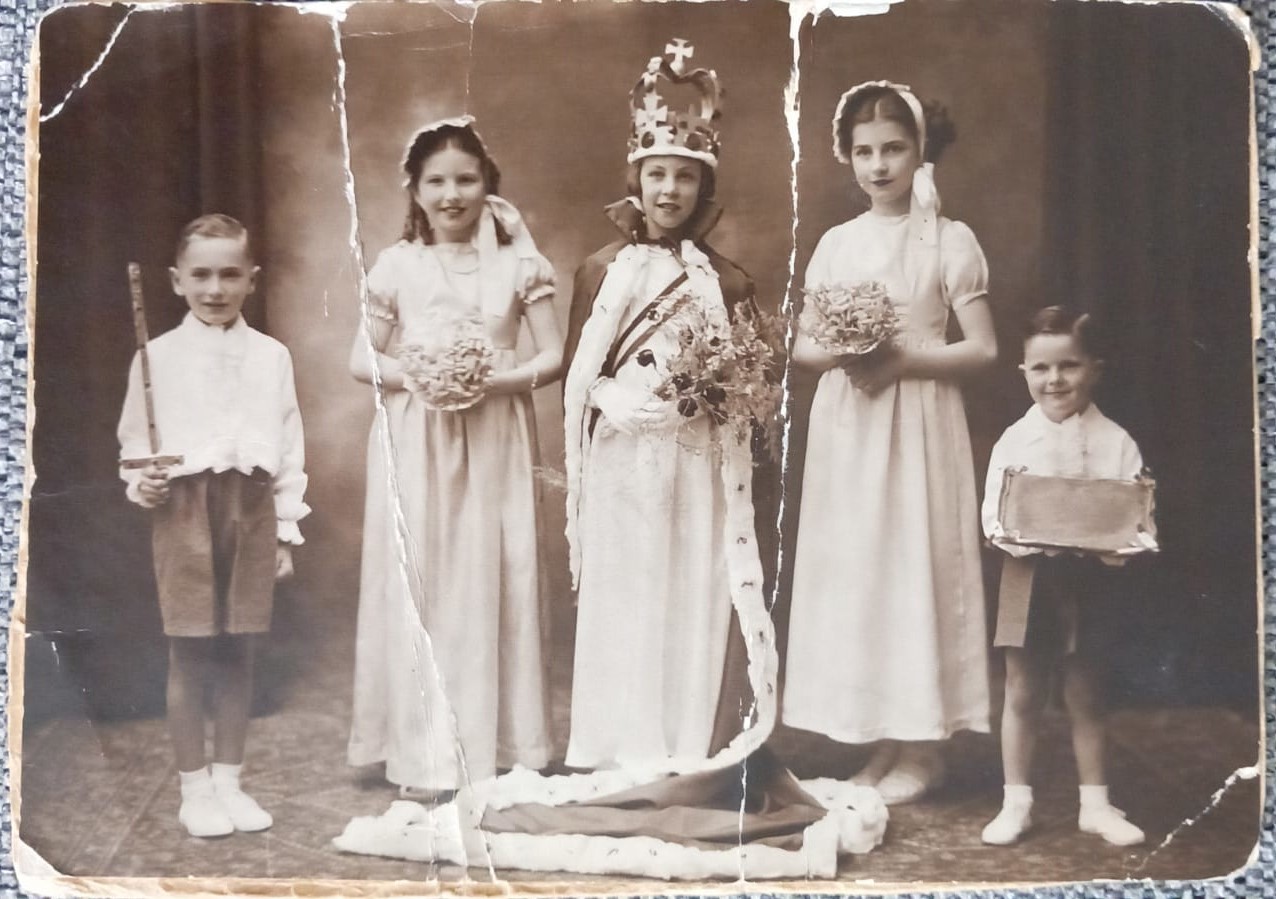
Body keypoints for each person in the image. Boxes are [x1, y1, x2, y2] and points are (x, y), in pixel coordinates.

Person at [782, 81, 997, 804]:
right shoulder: (837, 244)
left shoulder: (949, 239)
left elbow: (984, 350)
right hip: (852, 426)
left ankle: (923, 745)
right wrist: (844, 348)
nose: (878, 165)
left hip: (918, 421)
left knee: (914, 568)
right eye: (864, 151)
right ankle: (880, 738)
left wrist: (900, 358)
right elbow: (804, 347)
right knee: (864, 573)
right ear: (847, 156)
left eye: (894, 149)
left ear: (919, 151)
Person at [561, 40, 769, 769]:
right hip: (623, 457)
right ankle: (613, 741)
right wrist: (612, 400)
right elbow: (576, 373)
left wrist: (702, 401)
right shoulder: (599, 269)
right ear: (637, 179)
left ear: (702, 187)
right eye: (658, 174)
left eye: (686, 176)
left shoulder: (728, 282)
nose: (670, 189)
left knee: (686, 586)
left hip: (694, 462)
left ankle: (684, 735)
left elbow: (750, 390)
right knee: (625, 588)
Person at [347, 117, 560, 795]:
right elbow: (361, 358)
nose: (451, 194)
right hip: (420, 436)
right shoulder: (397, 266)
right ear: (414, 189)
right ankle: (423, 750)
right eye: (436, 180)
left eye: (466, 178)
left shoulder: (521, 267)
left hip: (496, 430)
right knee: (429, 576)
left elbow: (554, 355)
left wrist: (488, 379)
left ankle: (505, 742)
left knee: (500, 571)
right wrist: (426, 374)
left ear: (489, 187)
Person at [118, 214, 309, 838]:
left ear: (251, 279)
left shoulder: (271, 357)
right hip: (184, 508)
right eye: (201, 274)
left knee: (240, 649)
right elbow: (135, 447)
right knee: (191, 650)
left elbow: (288, 446)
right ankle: (194, 790)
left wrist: (284, 530)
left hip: (249, 508)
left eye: (230, 274)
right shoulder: (156, 359)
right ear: (176, 281)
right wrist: (140, 482)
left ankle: (229, 782)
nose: (215, 288)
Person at [980, 306, 1147, 847]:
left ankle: (1095, 805)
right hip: (1028, 577)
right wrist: (1022, 530)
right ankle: (1016, 803)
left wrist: (1120, 540)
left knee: (1086, 693)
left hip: (1091, 580)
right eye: (1041, 369)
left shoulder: (1117, 442)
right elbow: (994, 517)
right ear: (1023, 372)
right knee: (1022, 691)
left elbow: (1134, 514)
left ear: (1093, 369)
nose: (1055, 380)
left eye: (1069, 366)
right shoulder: (1013, 442)